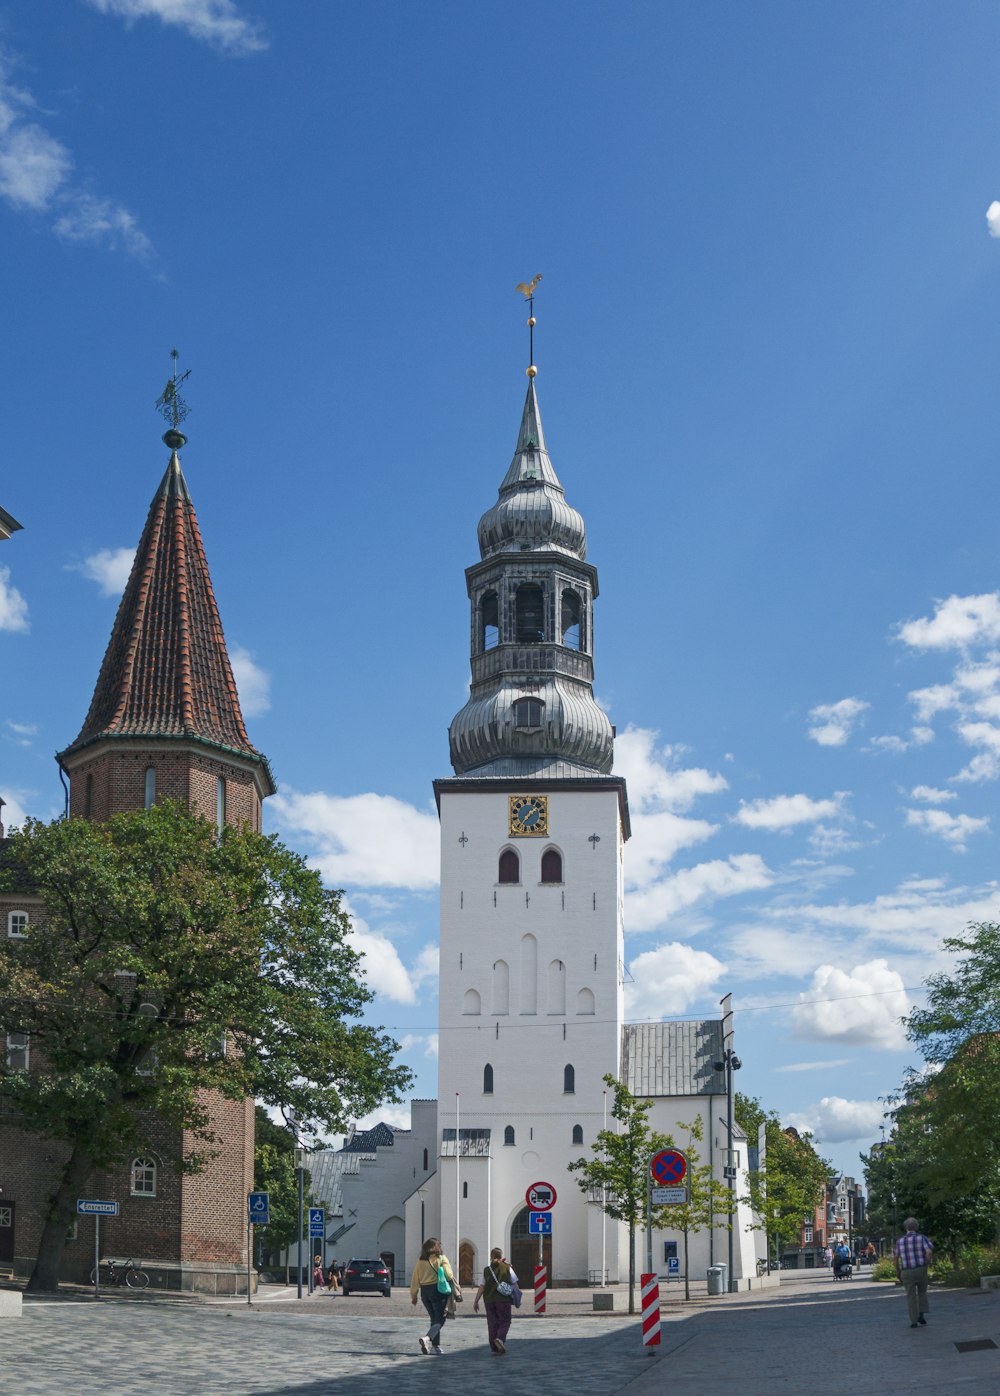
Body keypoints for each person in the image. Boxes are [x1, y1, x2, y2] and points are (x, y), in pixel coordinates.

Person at [410, 1236, 456, 1354]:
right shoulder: (441, 1258)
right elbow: (449, 1275)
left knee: (434, 1318)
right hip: (438, 1291)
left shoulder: (420, 1261)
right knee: (440, 1319)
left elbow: (415, 1279)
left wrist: (414, 1295)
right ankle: (428, 1339)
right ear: (437, 1248)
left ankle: (435, 1346)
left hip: (424, 1292)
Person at [473, 1246, 516, 1354]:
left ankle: (494, 1347)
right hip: (503, 1300)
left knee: (492, 1323)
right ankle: (500, 1339)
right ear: (502, 1256)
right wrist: (517, 1296)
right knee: (505, 1321)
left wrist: (476, 1300)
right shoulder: (507, 1268)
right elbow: (515, 1283)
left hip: (489, 1300)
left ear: (491, 1257)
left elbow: (482, 1286)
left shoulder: (487, 1270)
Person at [895, 1218, 933, 1328]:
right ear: (916, 1227)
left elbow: (896, 1258)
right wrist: (927, 1262)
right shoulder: (922, 1238)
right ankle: (921, 1314)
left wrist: (898, 1270)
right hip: (920, 1268)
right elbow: (929, 1251)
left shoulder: (900, 1241)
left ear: (906, 1228)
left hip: (906, 1270)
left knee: (910, 1295)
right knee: (922, 1292)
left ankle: (913, 1321)